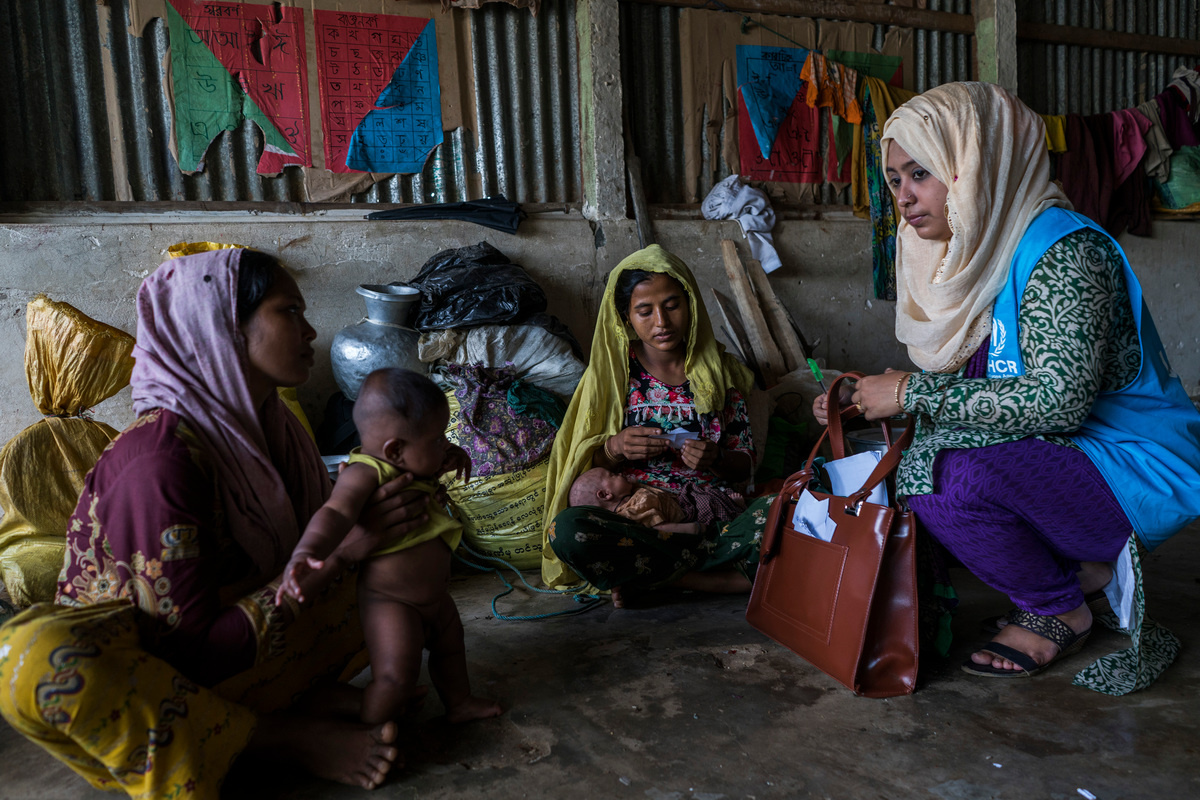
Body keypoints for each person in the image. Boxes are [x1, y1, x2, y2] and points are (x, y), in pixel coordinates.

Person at [0, 248, 439, 796]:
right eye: (289, 312)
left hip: (246, 635)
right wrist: (343, 554)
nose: (309, 330)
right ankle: (278, 737)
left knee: (406, 559)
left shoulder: (274, 427)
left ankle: (304, 700)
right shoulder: (160, 460)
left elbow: (311, 545)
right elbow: (189, 653)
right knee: (34, 664)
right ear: (223, 325)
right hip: (159, 683)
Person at [814, 82, 1200, 689]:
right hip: (1064, 460)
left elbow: (1060, 401)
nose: (905, 198)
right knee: (906, 460)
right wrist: (867, 401)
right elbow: (975, 383)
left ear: (976, 165)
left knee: (937, 473)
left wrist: (911, 393)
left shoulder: (1063, 250)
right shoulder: (969, 250)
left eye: (923, 173)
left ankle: (1059, 608)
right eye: (894, 179)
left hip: (1134, 466)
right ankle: (1088, 573)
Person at [542, 245, 774, 607]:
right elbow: (585, 472)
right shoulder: (612, 375)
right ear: (625, 317)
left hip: (712, 518)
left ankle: (664, 579)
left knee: (784, 512)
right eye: (644, 311)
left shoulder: (720, 371)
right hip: (639, 527)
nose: (661, 322)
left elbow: (744, 463)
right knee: (568, 530)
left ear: (691, 303)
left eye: (672, 305)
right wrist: (614, 448)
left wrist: (715, 458)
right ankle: (718, 577)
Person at [277, 367, 501, 726]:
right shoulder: (363, 473)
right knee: (395, 680)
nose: (444, 444)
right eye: (438, 439)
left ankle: (459, 702)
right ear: (395, 449)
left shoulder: (408, 462)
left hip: (436, 598)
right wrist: (307, 552)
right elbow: (334, 513)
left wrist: (447, 456)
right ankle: (367, 726)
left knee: (451, 647)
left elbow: (423, 462)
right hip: (392, 602)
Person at [568, 465, 745, 527]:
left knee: (705, 494)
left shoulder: (631, 498)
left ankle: (731, 502)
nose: (619, 474)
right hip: (687, 516)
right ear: (605, 494)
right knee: (710, 503)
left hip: (681, 503)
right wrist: (693, 529)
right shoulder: (636, 507)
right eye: (612, 476)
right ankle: (737, 510)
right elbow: (661, 528)